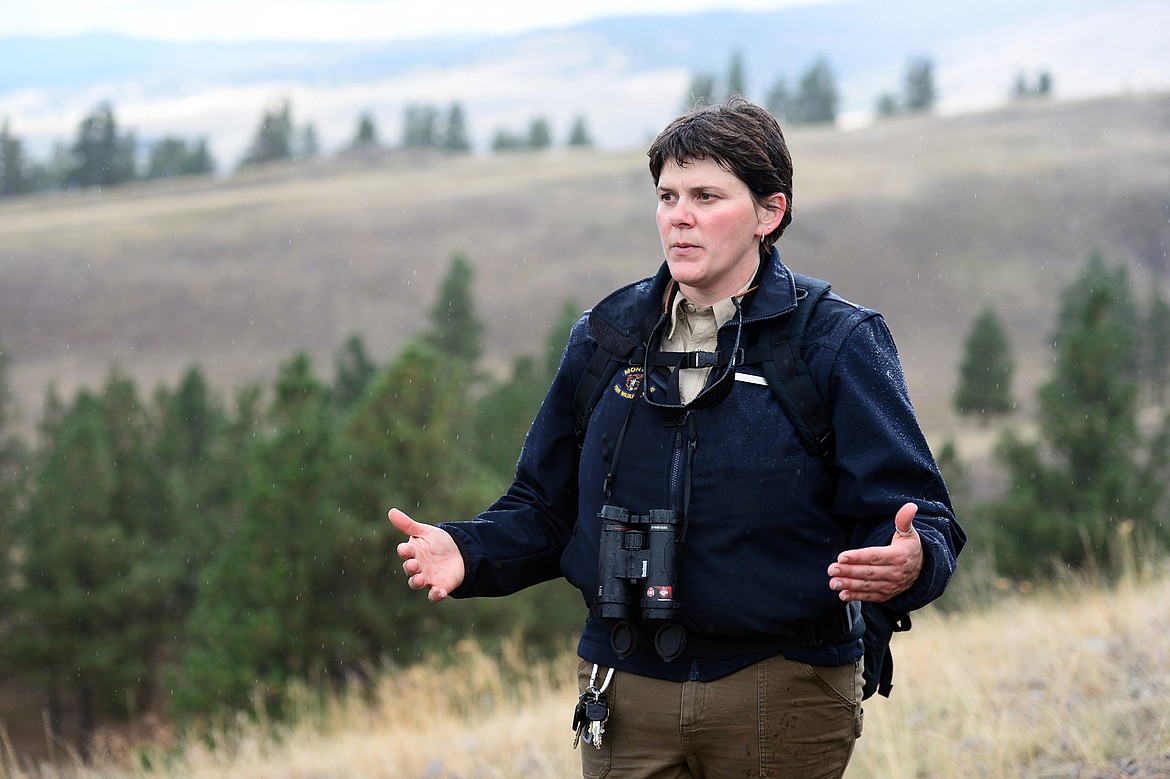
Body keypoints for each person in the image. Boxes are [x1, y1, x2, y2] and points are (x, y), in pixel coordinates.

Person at [389, 96, 965, 779]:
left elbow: (921, 518)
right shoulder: (607, 335)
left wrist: (913, 559)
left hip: (783, 689)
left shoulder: (834, 342)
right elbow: (545, 508)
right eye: (667, 195)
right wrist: (468, 549)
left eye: (706, 195)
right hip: (623, 689)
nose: (679, 216)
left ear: (768, 212)